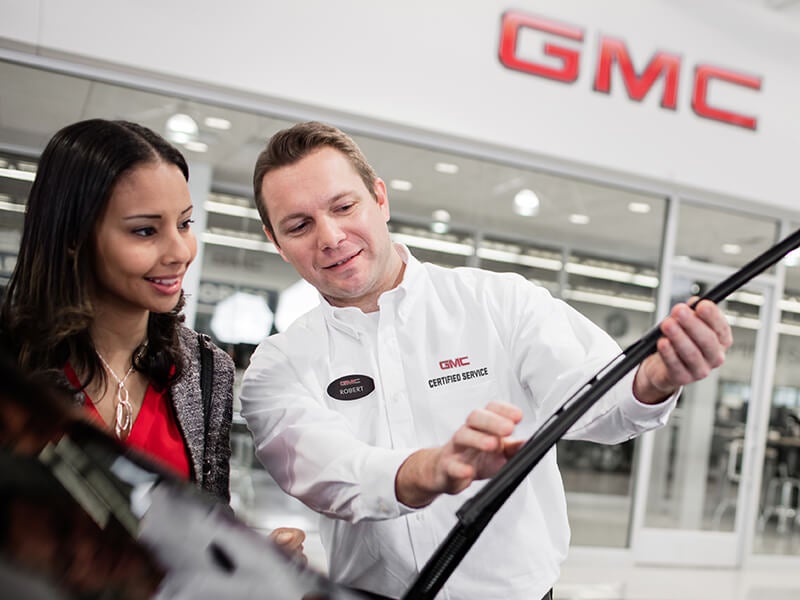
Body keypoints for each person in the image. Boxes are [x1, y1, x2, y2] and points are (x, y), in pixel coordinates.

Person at [240, 121, 733, 599]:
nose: (329, 236)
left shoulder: (500, 303)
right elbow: (328, 472)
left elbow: (597, 398)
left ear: (380, 198)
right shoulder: (279, 365)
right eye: (299, 225)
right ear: (276, 242)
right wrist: (428, 469)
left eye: (344, 206)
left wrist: (653, 377)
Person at [0, 119, 305, 559]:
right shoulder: (14, 359)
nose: (179, 251)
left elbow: (208, 523)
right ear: (73, 236)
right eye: (145, 230)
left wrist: (246, 563)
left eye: (184, 223)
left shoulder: (204, 368)